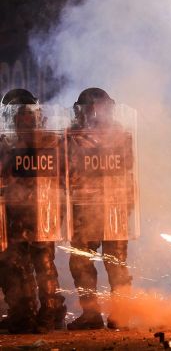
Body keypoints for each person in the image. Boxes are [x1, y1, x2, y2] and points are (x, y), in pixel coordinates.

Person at [66, 88, 135, 330]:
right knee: (82, 261)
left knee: (113, 262)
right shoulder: (72, 135)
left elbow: (127, 171)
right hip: (87, 207)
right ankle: (94, 314)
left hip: (110, 205)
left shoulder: (119, 135)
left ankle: (120, 313)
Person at [1, 89, 66, 333]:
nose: (25, 121)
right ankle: (37, 313)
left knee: (31, 264)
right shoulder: (51, 140)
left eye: (26, 117)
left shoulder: (37, 142)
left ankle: (36, 314)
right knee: (34, 263)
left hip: (34, 209)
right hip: (33, 210)